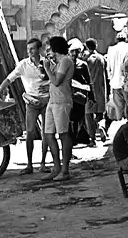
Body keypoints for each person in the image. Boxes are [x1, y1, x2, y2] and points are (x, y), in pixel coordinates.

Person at [0, 37, 51, 175]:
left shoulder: (47, 63)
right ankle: (29, 165)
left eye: (32, 49)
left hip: (47, 101)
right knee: (29, 132)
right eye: (28, 49)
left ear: (39, 49)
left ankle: (43, 163)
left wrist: (49, 87)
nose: (30, 52)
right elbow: (9, 79)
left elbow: (55, 79)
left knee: (46, 133)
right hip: (31, 103)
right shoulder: (23, 65)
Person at [41, 36, 75, 181]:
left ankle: (65, 170)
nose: (49, 51)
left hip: (62, 102)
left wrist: (47, 68)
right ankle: (56, 167)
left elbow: (56, 81)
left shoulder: (66, 60)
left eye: (50, 48)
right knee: (48, 134)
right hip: (53, 101)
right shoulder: (59, 62)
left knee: (63, 134)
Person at [68, 38, 92, 146]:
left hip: (80, 96)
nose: (74, 54)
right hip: (68, 96)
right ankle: (71, 141)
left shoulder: (83, 65)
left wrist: (91, 96)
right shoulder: (64, 65)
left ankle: (81, 137)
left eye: (76, 51)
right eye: (72, 51)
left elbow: (88, 81)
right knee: (69, 119)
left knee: (79, 118)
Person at [85, 38, 108, 146]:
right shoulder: (102, 58)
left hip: (90, 90)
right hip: (101, 89)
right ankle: (101, 126)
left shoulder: (86, 59)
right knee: (100, 114)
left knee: (88, 115)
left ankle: (92, 138)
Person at [106, 31, 128, 128]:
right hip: (127, 83)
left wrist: (110, 78)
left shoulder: (111, 49)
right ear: (126, 39)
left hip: (115, 82)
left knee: (118, 107)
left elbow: (108, 67)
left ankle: (121, 127)